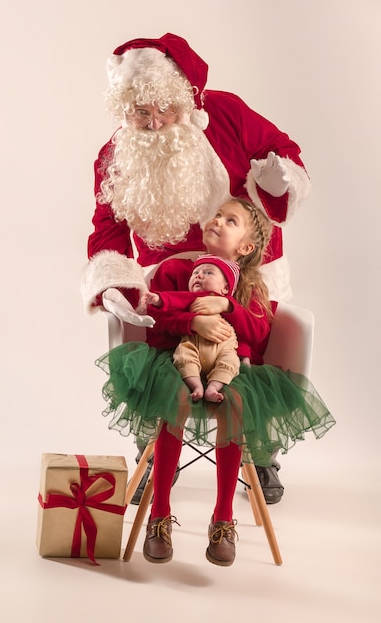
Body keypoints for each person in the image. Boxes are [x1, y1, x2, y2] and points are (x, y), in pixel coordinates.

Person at [83, 32, 313, 504]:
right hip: (168, 280)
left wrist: (277, 176)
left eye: (163, 108)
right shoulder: (115, 157)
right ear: (124, 109)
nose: (153, 122)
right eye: (140, 112)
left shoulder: (225, 114)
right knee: (161, 358)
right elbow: (106, 228)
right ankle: (151, 446)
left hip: (247, 268)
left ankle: (261, 453)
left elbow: (281, 152)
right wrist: (116, 282)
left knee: (251, 354)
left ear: (183, 98)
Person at [95, 198, 335, 566]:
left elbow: (261, 331)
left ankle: (223, 519)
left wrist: (228, 308)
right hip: (175, 362)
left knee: (236, 405)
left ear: (246, 246)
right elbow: (155, 323)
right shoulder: (175, 269)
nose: (218, 221)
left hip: (232, 368)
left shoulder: (252, 285)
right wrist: (192, 322)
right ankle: (159, 516)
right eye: (217, 215)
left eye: (230, 220)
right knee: (173, 402)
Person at [139, 255, 243, 403]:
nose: (199, 275)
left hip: (222, 346)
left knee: (231, 361)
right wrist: (158, 299)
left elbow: (244, 323)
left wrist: (246, 354)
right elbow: (175, 299)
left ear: (225, 288)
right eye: (195, 273)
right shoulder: (192, 297)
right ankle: (196, 385)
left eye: (208, 273)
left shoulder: (229, 303)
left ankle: (214, 387)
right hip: (193, 342)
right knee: (184, 355)